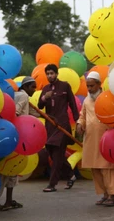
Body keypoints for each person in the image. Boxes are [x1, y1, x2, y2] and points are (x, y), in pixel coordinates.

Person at [0, 76, 37, 211]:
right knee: (8, 169)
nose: (35, 89)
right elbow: (15, 112)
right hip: (15, 136)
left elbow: (31, 113)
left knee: (10, 170)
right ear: (25, 87)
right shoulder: (23, 96)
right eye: (33, 86)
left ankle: (8, 201)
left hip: (6, 135)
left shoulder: (17, 95)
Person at [76, 71, 114, 207]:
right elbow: (82, 115)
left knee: (107, 167)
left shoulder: (107, 98)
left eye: (92, 86)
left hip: (106, 139)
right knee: (95, 168)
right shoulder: (87, 100)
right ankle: (104, 194)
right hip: (90, 139)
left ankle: (112, 196)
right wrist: (79, 124)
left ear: (99, 85)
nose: (89, 89)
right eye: (88, 86)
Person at [38, 64, 79, 192]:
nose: (50, 75)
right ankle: (71, 175)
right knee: (52, 152)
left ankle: (52, 184)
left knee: (57, 155)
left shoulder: (65, 86)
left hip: (62, 125)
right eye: (48, 74)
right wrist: (45, 97)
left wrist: (78, 122)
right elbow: (39, 105)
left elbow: (72, 104)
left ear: (56, 74)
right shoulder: (45, 89)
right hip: (50, 126)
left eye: (52, 73)